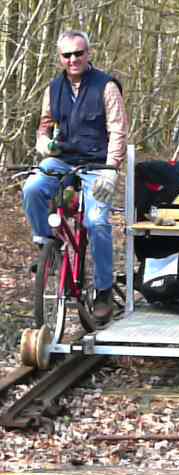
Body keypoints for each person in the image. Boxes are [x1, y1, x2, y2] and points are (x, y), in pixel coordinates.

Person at [22, 31, 128, 322]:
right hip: (63, 161)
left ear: (88, 54)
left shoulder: (106, 86)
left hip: (97, 165)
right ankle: (48, 248)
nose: (73, 59)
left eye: (78, 53)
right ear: (60, 58)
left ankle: (103, 290)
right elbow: (44, 125)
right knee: (32, 188)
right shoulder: (53, 88)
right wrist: (43, 142)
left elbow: (118, 130)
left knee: (96, 222)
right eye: (67, 55)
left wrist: (111, 169)